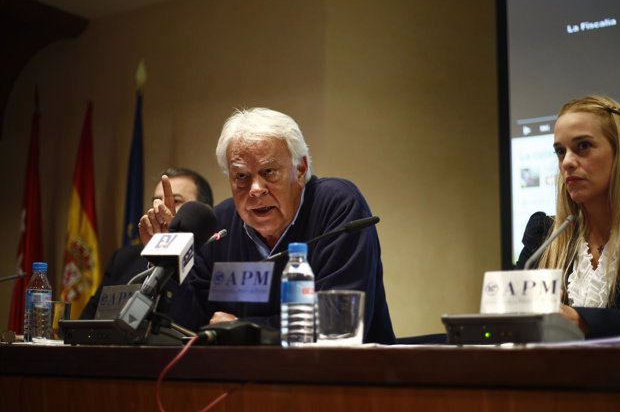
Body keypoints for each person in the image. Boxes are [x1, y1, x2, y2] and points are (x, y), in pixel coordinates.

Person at [139, 108, 396, 344]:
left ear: (300, 169)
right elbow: (189, 328)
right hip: (238, 384)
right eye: (241, 176)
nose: (256, 189)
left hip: (347, 382)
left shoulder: (337, 206)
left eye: (269, 172)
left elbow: (339, 321)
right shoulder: (220, 225)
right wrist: (168, 261)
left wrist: (243, 328)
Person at [515, 95, 620, 338]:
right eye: (560, 151)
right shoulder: (544, 236)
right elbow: (508, 322)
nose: (566, 162)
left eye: (583, 146)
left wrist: (581, 320)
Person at [81, 167, 214, 332]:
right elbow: (87, 323)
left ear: (203, 213)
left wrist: (171, 253)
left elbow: (192, 325)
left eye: (176, 201)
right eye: (156, 201)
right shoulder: (123, 259)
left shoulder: (211, 259)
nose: (161, 209)